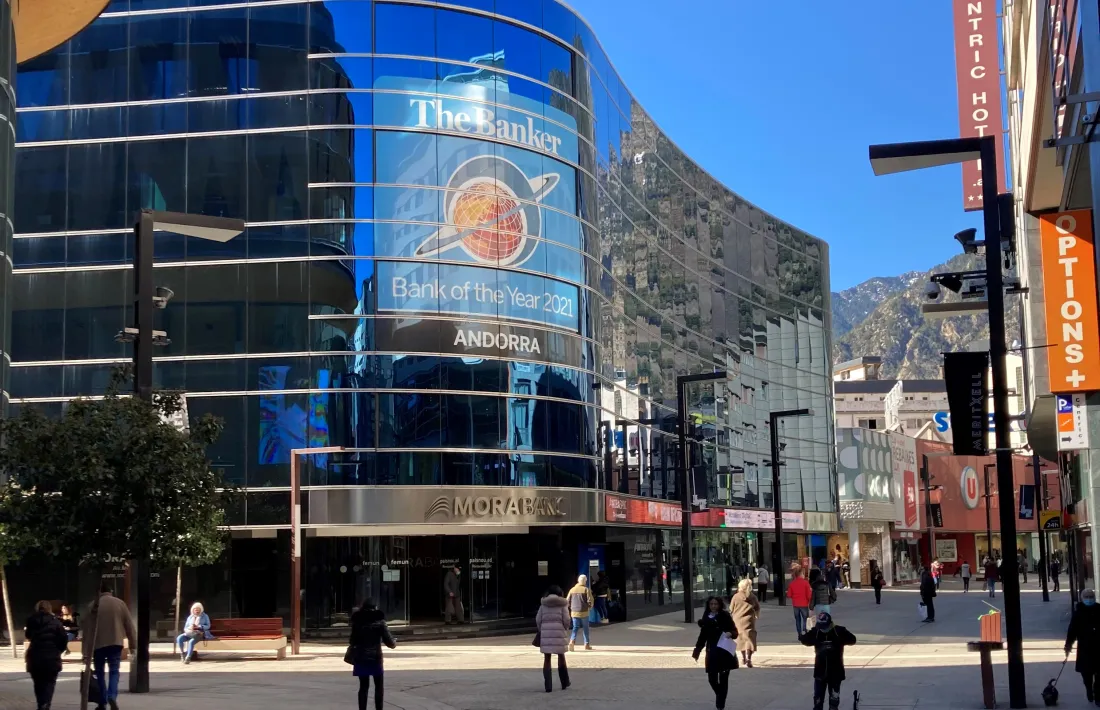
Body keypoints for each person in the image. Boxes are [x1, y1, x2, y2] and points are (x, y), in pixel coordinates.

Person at [83, 583, 137, 710]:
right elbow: (129, 625)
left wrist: (85, 652)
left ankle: (102, 701)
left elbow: (87, 630)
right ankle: (112, 695)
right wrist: (133, 645)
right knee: (114, 671)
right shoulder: (119, 603)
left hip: (98, 644)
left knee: (99, 673)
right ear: (110, 591)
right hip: (115, 642)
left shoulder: (92, 605)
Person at [801, 611, 857, 710]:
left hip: (835, 672)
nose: (823, 630)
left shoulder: (839, 631)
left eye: (825, 627)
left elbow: (853, 640)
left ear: (830, 624)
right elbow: (804, 640)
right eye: (821, 627)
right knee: (818, 702)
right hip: (820, 672)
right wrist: (806, 633)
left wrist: (841, 637)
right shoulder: (816, 632)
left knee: (834, 702)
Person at [348, 599, 396, 710]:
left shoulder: (357, 622)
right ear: (375, 608)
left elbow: (352, 641)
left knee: (363, 687)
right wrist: (394, 643)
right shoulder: (380, 622)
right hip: (375, 658)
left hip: (360, 657)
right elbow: (390, 642)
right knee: (379, 687)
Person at [692, 596, 738, 709]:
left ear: (719, 605)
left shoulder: (725, 616)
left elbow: (735, 632)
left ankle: (720, 705)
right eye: (711, 604)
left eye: (715, 604)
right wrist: (697, 651)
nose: (713, 606)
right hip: (712, 652)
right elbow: (703, 636)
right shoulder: (706, 617)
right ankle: (720, 695)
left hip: (724, 651)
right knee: (712, 679)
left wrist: (730, 633)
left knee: (723, 680)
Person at [24, 600, 67, 710]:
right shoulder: (56, 622)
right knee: (50, 682)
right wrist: (58, 651)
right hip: (52, 657)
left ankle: (41, 704)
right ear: (49, 609)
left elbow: (28, 635)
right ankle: (46, 703)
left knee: (38, 683)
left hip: (35, 656)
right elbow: (63, 639)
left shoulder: (31, 620)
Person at [1065, 588, 1100, 703]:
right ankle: (1089, 689)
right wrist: (1068, 645)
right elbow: (1072, 631)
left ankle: (1098, 694)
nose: (1089, 599)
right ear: (1083, 599)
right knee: (1086, 673)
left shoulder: (1099, 610)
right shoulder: (1078, 613)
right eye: (1087, 597)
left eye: (1091, 597)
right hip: (1085, 647)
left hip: (1098, 647)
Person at [535, 585, 571, 693]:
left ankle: (548, 686)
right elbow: (567, 619)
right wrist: (565, 628)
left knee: (547, 659)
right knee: (561, 656)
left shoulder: (543, 604)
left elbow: (538, 619)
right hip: (559, 633)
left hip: (546, 634)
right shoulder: (563, 604)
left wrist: (542, 629)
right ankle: (564, 682)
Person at [730, 579, 760, 668]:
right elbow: (757, 607)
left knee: (741, 639)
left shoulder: (736, 596)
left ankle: (743, 658)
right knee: (750, 639)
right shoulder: (753, 597)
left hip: (737, 620)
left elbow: (731, 608)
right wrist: (756, 615)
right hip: (749, 620)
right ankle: (749, 659)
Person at [566, 574, 594, 651]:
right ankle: (586, 644)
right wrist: (590, 607)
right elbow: (590, 601)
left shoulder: (572, 589)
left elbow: (567, 601)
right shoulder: (586, 589)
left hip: (574, 612)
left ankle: (572, 641)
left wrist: (571, 608)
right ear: (585, 581)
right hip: (584, 612)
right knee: (585, 629)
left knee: (575, 627)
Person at [787, 565, 814, 640]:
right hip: (804, 604)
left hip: (795, 604)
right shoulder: (805, 583)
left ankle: (799, 634)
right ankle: (805, 631)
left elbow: (789, 595)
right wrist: (810, 602)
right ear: (801, 574)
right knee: (805, 619)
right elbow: (809, 595)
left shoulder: (792, 583)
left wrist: (794, 597)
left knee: (798, 620)